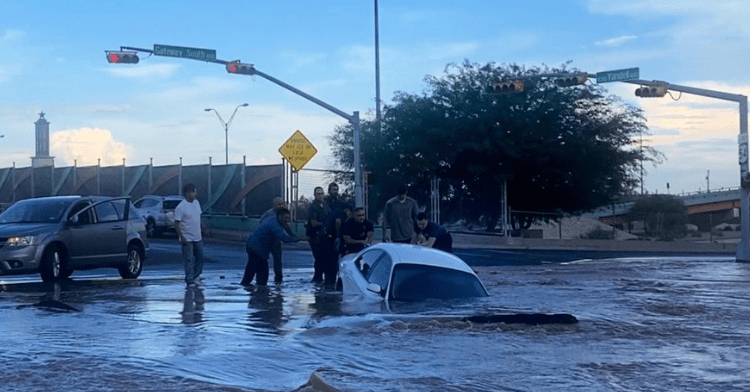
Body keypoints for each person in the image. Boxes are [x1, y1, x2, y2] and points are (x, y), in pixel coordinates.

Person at [242, 207, 307, 286]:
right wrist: (299, 238)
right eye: (285, 218)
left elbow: (285, 227)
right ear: (280, 216)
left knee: (251, 270)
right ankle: (260, 293)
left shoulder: (271, 218)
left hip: (251, 245)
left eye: (288, 218)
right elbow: (284, 238)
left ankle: (251, 290)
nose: (287, 220)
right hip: (258, 249)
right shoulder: (274, 225)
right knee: (262, 274)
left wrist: (293, 235)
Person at [174, 183, 204, 288]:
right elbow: (176, 223)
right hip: (187, 237)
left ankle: (196, 276)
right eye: (193, 192)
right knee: (189, 259)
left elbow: (199, 217)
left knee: (200, 257)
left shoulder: (196, 203)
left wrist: (203, 228)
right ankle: (190, 280)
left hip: (198, 237)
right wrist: (181, 236)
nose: (195, 194)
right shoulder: (181, 207)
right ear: (188, 193)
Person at [259, 197, 291, 283]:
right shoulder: (269, 214)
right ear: (274, 205)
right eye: (278, 204)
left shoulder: (283, 213)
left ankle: (278, 278)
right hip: (268, 240)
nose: (281, 206)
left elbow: (285, 225)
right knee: (263, 258)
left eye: (282, 204)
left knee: (278, 260)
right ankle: (262, 278)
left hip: (276, 239)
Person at [307, 186, 330, 283]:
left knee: (324, 258)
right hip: (315, 236)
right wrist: (325, 223)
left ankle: (321, 277)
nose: (320, 196)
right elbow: (313, 223)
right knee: (319, 258)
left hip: (323, 236)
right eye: (318, 194)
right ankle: (317, 278)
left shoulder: (325, 204)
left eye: (321, 193)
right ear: (315, 195)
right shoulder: (313, 207)